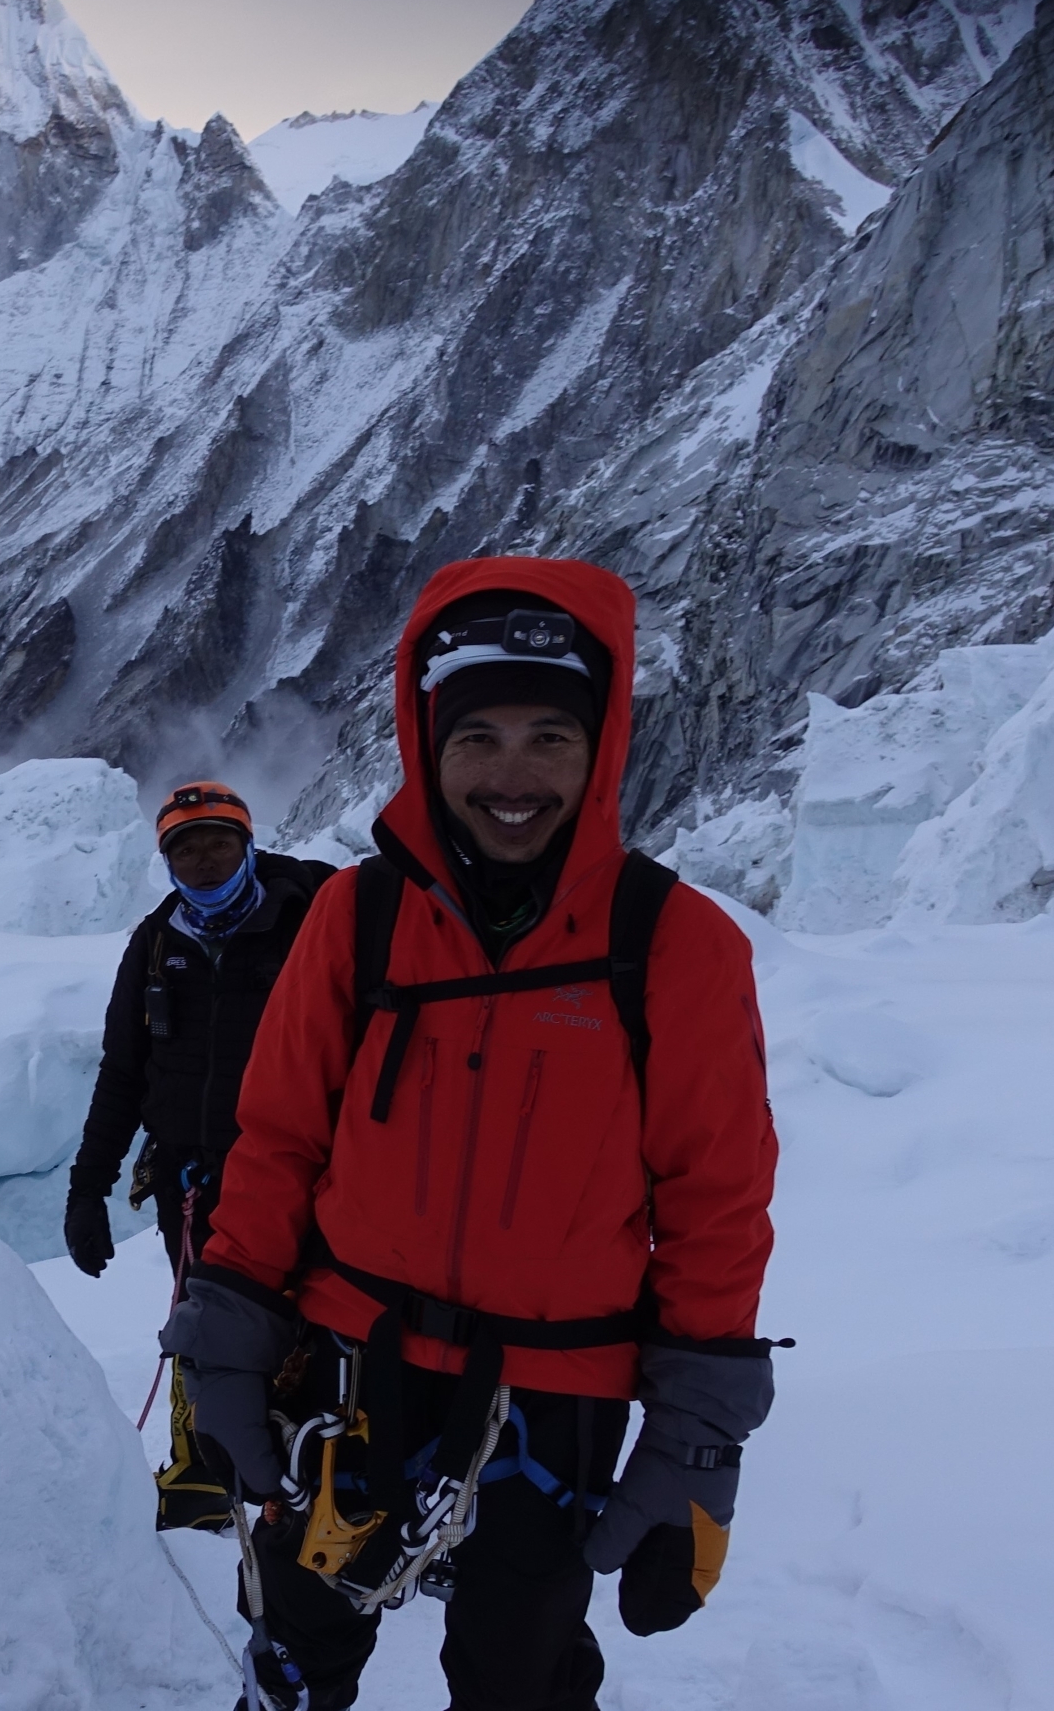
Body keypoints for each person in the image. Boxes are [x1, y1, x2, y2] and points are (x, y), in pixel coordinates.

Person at [162, 558, 778, 1711]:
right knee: (298, 1639)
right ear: (424, 745)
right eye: (476, 737)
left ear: (600, 751)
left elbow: (716, 1195)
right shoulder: (360, 918)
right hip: (347, 1373)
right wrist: (230, 1323)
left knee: (522, 1672)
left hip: (552, 1396)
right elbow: (281, 1135)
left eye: (550, 736)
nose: (511, 775)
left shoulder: (674, 944)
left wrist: (698, 1430)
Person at [62, 784, 334, 1279]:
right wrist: (87, 1192)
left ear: (248, 847)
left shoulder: (308, 926)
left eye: (219, 844)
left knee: (296, 1343)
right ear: (168, 863)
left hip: (296, 1185)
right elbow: (123, 1072)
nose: (204, 862)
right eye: (185, 850)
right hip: (190, 1188)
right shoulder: (155, 944)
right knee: (205, 1340)